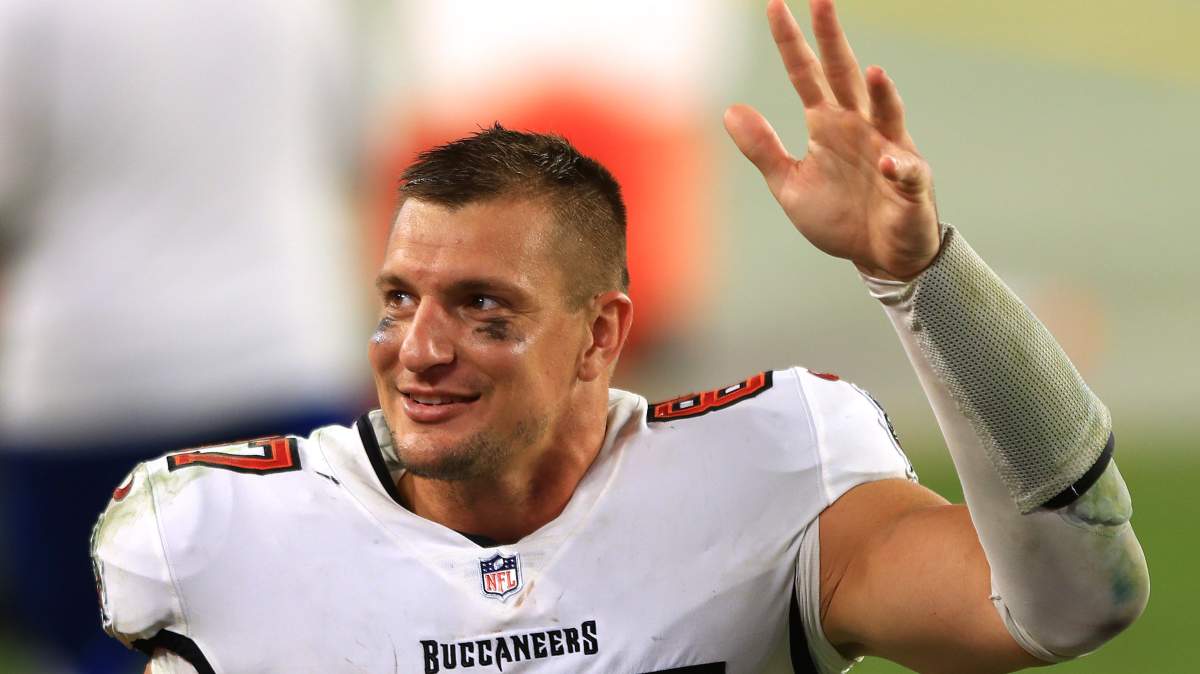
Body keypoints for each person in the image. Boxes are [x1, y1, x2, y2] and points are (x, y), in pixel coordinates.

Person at [91, 1, 1148, 672]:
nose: (419, 348)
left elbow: (1073, 603)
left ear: (601, 335)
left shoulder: (772, 477)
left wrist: (922, 277)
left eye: (483, 308)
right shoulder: (215, 535)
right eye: (401, 298)